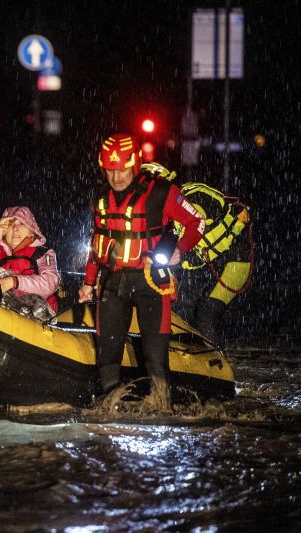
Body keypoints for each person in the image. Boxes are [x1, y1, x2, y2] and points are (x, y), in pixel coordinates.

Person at [77, 133, 205, 408]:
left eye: (122, 169)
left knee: (154, 357)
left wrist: (180, 250)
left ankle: (161, 408)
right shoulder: (100, 197)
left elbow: (197, 222)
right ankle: (110, 409)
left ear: (135, 164)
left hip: (151, 282)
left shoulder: (162, 191)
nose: (117, 176)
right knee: (108, 353)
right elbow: (97, 243)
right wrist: (88, 283)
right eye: (110, 170)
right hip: (112, 282)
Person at [166, 173, 252, 346]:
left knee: (207, 312)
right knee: (181, 309)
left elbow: (196, 222)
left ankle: (215, 364)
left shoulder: (194, 198)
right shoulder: (171, 201)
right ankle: (183, 356)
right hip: (208, 261)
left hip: (235, 262)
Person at [0, 206, 60, 318]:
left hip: (35, 318)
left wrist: (12, 281)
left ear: (32, 232)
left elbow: (51, 282)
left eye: (22, 224)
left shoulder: (42, 253)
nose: (15, 228)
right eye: (11, 224)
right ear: (3, 231)